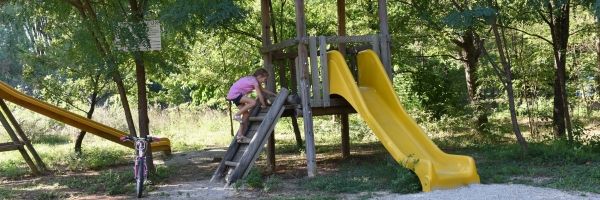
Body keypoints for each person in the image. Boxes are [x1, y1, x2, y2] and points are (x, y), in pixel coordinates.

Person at [226, 68, 276, 142]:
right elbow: (259, 94)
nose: (264, 81)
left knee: (246, 114)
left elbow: (263, 90)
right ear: (259, 76)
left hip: (235, 95)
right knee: (253, 102)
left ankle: (240, 136)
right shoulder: (254, 81)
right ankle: (237, 115)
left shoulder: (253, 80)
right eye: (264, 79)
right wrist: (263, 104)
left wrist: (274, 94)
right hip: (235, 94)